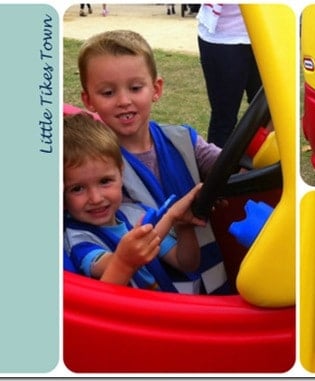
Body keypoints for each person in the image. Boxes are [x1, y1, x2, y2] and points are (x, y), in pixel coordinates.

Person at [76, 29, 231, 295]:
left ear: (155, 89)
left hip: (214, 278)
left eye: (135, 88)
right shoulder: (91, 169)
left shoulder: (185, 139)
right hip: (157, 297)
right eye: (108, 92)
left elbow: (227, 166)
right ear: (88, 100)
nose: (124, 101)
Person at [63, 112, 205, 292]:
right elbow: (109, 279)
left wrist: (183, 228)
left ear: (121, 174)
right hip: (129, 318)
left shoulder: (135, 213)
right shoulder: (78, 238)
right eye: (77, 189)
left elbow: (186, 263)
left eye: (105, 181)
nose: (96, 198)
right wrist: (124, 261)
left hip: (164, 310)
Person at [197, 4, 262, 149]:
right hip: (223, 37)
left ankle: (261, 165)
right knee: (224, 117)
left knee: (267, 113)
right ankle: (217, 169)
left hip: (266, 33)